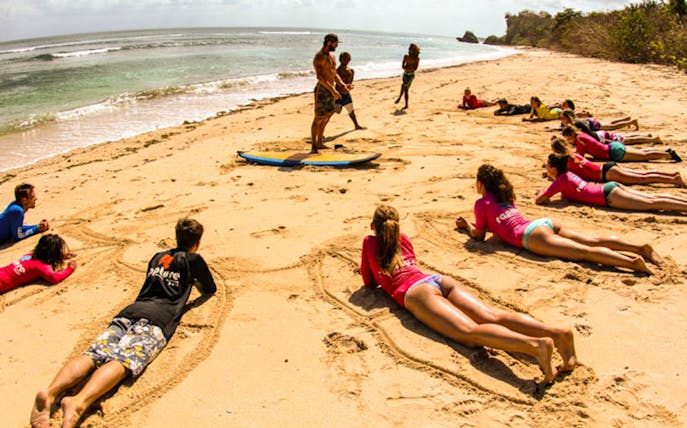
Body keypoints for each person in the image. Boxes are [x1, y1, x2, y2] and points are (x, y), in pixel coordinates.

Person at [30, 218, 217, 428]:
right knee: (124, 360)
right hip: (157, 318)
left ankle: (51, 392)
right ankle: (78, 402)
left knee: (93, 354)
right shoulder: (193, 259)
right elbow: (210, 288)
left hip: (130, 311)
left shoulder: (157, 257)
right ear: (197, 242)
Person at [359, 205, 577, 383]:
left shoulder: (370, 242)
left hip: (415, 291)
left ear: (372, 227)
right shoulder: (403, 238)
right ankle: (557, 333)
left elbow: (369, 282)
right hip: (437, 280)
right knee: (491, 315)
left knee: (469, 332)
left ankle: (535, 346)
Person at [456, 164, 660, 275]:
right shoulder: (505, 195)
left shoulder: (481, 204)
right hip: (542, 223)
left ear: (481, 184)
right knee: (591, 240)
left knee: (584, 252)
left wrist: (467, 226)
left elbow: (479, 236)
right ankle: (639, 247)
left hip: (531, 236)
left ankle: (632, 262)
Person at [537, 154, 687, 215]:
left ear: (555, 168)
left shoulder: (560, 180)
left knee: (652, 203)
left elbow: (540, 200)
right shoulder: (568, 174)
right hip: (609, 187)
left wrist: (540, 192)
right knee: (652, 198)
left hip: (608, 195)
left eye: (548, 166)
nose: (546, 168)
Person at [550, 137, 685, 187]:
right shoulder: (573, 155)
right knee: (643, 174)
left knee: (642, 179)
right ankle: (672, 176)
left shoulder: (566, 161)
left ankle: (674, 179)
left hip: (607, 175)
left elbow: (564, 176)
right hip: (607, 168)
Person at [311, 33, 350, 154]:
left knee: (327, 115)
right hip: (322, 90)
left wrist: (342, 84)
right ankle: (314, 146)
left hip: (331, 89)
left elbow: (333, 73)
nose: (337, 46)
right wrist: (332, 90)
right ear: (329, 43)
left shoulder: (332, 57)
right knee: (318, 117)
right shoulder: (319, 57)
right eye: (335, 44)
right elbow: (320, 77)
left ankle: (320, 142)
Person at [0, 234, 76, 294]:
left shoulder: (29, 256)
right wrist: (70, 269)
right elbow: (54, 278)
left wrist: (61, 256)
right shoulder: (41, 266)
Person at [562, 125, 681, 163]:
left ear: (571, 135)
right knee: (642, 153)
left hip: (612, 153)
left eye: (568, 139)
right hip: (612, 147)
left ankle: (668, 155)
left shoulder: (580, 141)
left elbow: (579, 157)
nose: (568, 141)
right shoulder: (582, 135)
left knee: (644, 157)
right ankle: (666, 153)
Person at [335, 52, 365, 130]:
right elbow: (335, 81)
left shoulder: (351, 70)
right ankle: (320, 131)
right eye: (344, 58)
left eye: (347, 58)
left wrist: (349, 87)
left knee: (351, 111)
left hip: (346, 94)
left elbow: (350, 83)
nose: (346, 60)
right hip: (338, 94)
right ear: (340, 60)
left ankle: (356, 125)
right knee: (329, 113)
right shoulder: (337, 71)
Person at [394, 43, 420, 110]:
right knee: (403, 86)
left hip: (411, 75)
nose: (409, 49)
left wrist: (407, 67)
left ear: (413, 50)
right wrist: (409, 68)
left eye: (410, 48)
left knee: (405, 88)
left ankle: (405, 104)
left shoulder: (417, 58)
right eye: (409, 48)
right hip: (405, 74)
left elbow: (415, 68)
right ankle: (400, 98)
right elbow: (402, 66)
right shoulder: (406, 56)